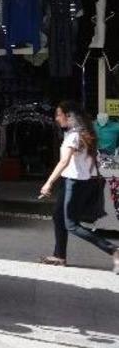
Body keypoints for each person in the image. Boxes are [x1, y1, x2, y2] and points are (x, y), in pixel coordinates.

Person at [39, 101, 119, 273]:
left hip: (74, 183)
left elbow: (64, 161)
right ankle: (59, 256)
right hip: (73, 181)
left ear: (69, 116)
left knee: (71, 224)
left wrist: (48, 183)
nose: (57, 118)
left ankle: (113, 250)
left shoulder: (75, 136)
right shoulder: (82, 133)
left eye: (59, 114)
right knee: (58, 217)